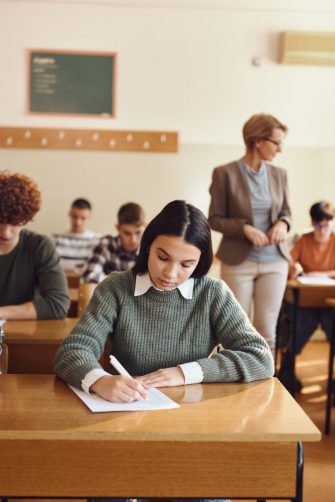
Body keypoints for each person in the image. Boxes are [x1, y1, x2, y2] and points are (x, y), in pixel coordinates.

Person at [55, 200, 274, 403]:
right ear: (148, 245)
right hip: (128, 407)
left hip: (193, 412)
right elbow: (73, 351)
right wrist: (99, 381)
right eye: (163, 257)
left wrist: (184, 372)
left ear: (199, 263)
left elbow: (260, 357)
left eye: (186, 264)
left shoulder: (212, 293)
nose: (170, 273)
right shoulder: (116, 288)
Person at [208, 113, 291, 357]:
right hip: (238, 261)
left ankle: (267, 387)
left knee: (267, 333)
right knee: (235, 333)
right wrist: (244, 228)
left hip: (275, 262)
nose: (280, 148)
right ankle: (235, 387)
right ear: (257, 141)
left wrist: (283, 224)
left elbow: (286, 212)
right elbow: (214, 219)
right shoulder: (224, 173)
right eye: (276, 142)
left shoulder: (280, 175)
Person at [279, 201, 335, 391]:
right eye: (318, 226)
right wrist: (294, 269)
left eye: (326, 225)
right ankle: (287, 372)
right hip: (305, 303)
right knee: (300, 327)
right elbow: (290, 266)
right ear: (313, 223)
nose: (322, 231)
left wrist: (321, 275)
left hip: (330, 303)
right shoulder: (303, 240)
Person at [0, 171, 69, 320]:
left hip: (26, 335)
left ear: (25, 218)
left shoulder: (39, 246)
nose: (5, 233)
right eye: (0, 221)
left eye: (14, 222)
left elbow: (58, 304)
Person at [82, 202, 146, 283]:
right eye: (127, 233)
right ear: (118, 228)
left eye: (138, 232)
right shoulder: (106, 244)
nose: (133, 239)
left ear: (145, 227)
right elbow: (89, 277)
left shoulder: (150, 249)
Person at [53, 198, 101, 273]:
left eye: (83, 218)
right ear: (69, 214)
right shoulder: (56, 239)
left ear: (90, 217)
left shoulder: (98, 240)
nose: (78, 222)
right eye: (75, 217)